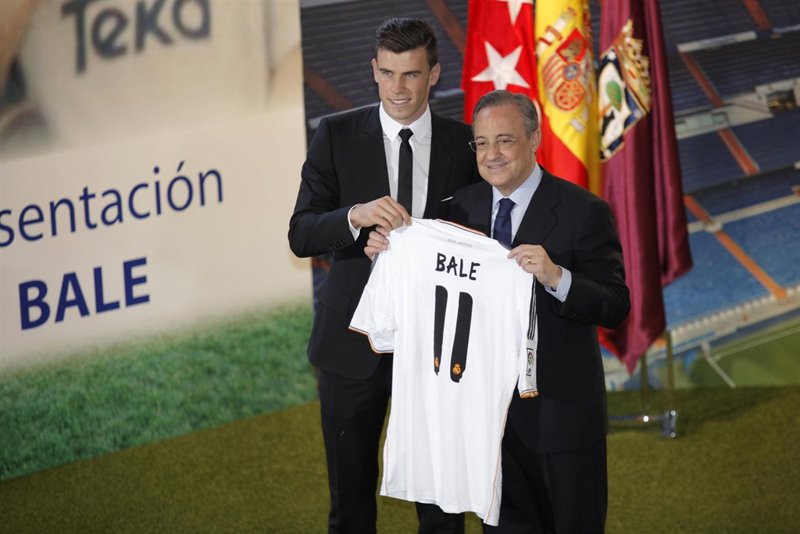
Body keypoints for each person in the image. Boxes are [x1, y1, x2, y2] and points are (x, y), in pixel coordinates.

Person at [367, 89, 630, 532]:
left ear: (535, 139)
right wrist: (388, 251)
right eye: (482, 143)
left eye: (505, 140)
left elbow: (615, 305)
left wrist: (556, 277)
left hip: (560, 417)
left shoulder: (584, 211)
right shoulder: (459, 208)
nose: (492, 155)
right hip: (485, 421)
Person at [288, 17, 480, 533]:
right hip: (352, 342)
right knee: (350, 500)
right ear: (373, 70)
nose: (398, 88)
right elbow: (301, 233)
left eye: (411, 74)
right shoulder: (336, 134)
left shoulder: (466, 145)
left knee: (442, 501)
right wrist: (356, 220)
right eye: (388, 73)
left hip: (438, 345)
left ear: (434, 74)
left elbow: (484, 239)